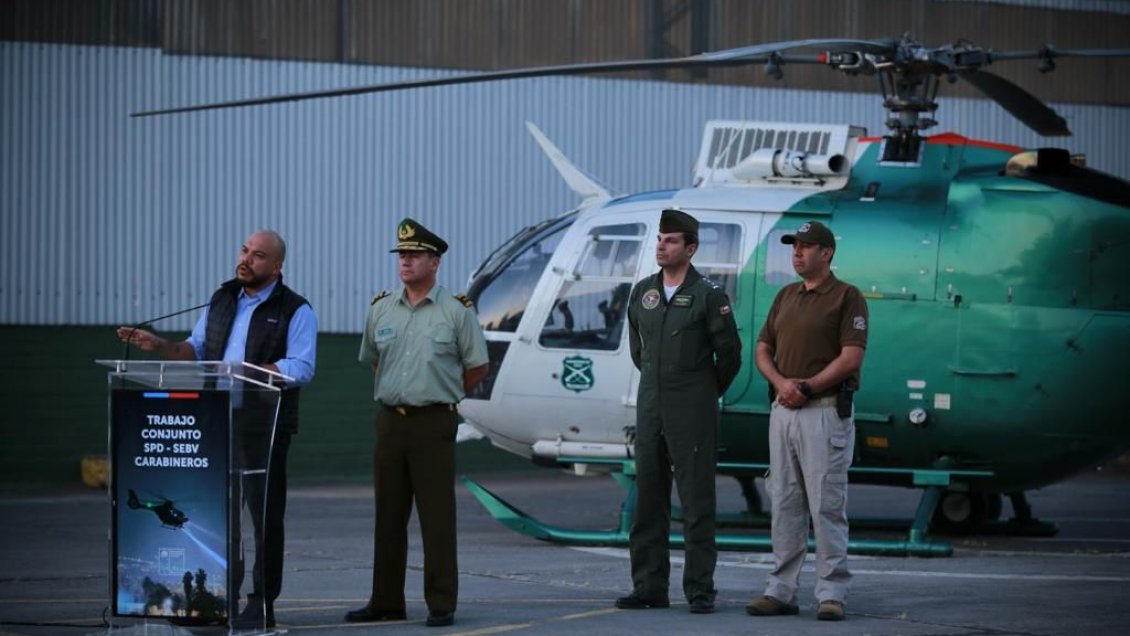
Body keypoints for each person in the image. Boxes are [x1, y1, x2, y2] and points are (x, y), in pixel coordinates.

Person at [116, 229, 317, 628]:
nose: (246, 259)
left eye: (258, 255)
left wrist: (250, 371)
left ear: (276, 266)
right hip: (218, 421)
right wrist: (160, 347)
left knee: (263, 520)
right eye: (244, 250)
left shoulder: (295, 309)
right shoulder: (222, 299)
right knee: (221, 516)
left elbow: (302, 367)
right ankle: (218, 599)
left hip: (264, 426)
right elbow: (197, 349)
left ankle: (261, 605)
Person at [347, 218, 489, 628]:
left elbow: (477, 367)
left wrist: (441, 391)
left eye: (413, 255)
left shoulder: (456, 311)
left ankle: (441, 601)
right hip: (391, 421)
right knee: (388, 515)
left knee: (436, 515)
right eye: (401, 255)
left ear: (435, 261)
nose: (405, 262)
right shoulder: (380, 308)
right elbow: (376, 360)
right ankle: (386, 600)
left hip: (433, 422)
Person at [616, 208, 742, 614]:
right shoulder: (643, 293)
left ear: (690, 248)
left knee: (696, 503)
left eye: (670, 241)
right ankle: (649, 587)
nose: (661, 246)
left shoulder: (708, 294)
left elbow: (730, 355)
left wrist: (702, 391)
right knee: (648, 501)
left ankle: (700, 589)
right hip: (651, 408)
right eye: (659, 239)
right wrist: (662, 385)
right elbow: (640, 352)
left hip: (694, 411)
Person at [746, 220, 868, 622]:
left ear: (826, 253)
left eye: (805, 246)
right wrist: (783, 383)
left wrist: (808, 387)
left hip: (823, 412)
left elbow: (850, 358)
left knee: (827, 505)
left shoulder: (847, 297)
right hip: (783, 411)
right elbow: (763, 347)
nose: (797, 252)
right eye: (794, 246)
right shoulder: (785, 296)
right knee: (784, 502)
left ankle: (832, 593)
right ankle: (780, 590)